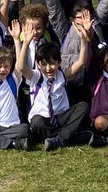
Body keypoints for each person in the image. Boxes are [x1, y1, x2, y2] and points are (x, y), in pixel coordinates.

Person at [21, 16, 92, 151]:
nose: (48, 69)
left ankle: (59, 139)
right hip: (43, 120)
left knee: (83, 106)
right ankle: (70, 137)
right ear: (38, 64)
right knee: (37, 122)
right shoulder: (37, 76)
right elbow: (20, 67)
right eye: (44, 64)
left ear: (58, 63)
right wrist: (25, 43)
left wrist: (83, 40)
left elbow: (81, 62)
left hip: (61, 118)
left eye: (52, 64)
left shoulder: (62, 75)